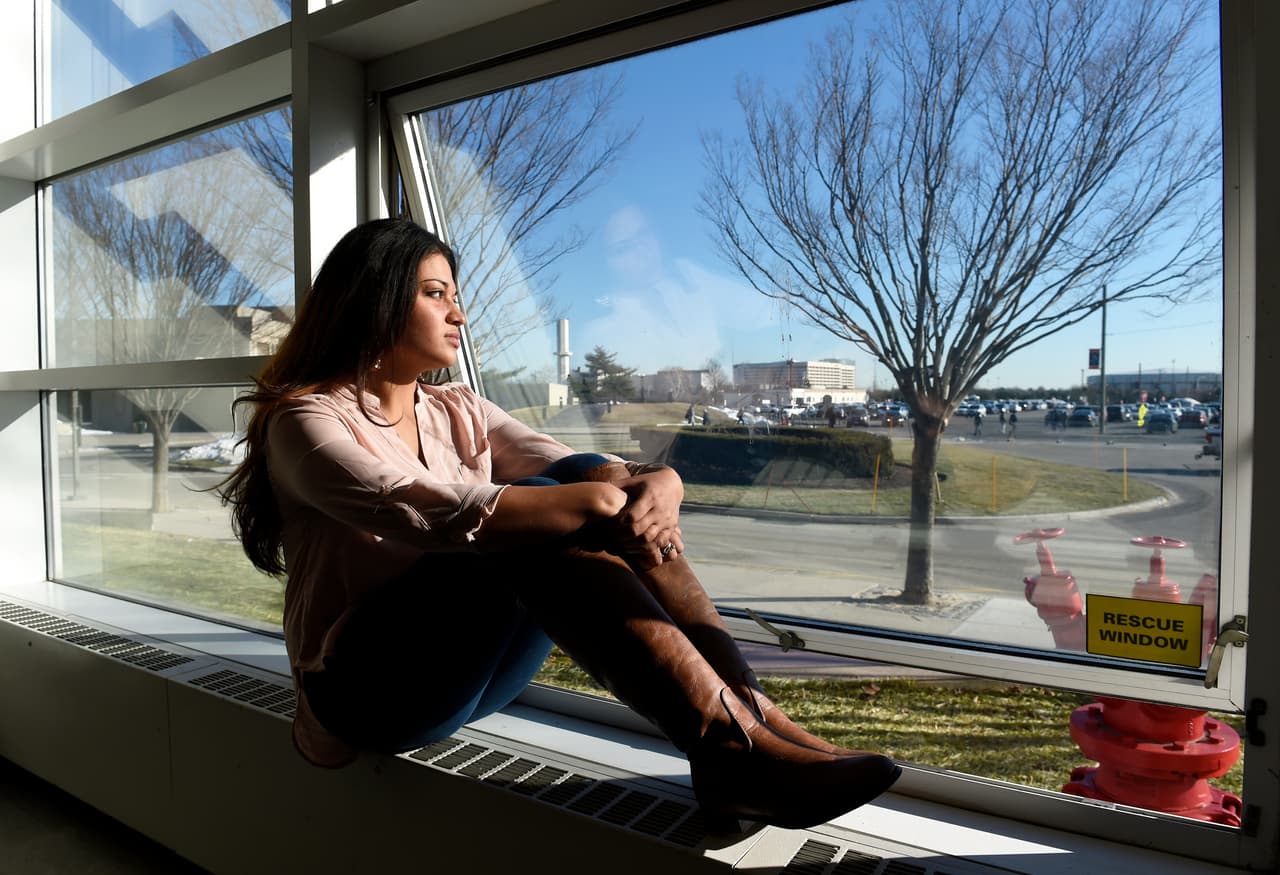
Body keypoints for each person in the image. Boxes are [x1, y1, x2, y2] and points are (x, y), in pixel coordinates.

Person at [218, 218, 898, 832]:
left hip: (469, 676)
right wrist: (597, 501)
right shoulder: (304, 420)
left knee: (573, 478)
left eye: (455, 294)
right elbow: (423, 510)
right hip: (363, 690)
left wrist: (660, 481)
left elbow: (585, 468)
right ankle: (731, 744)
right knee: (530, 509)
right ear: (374, 299)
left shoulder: (456, 408)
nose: (459, 313)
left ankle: (752, 719)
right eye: (435, 293)